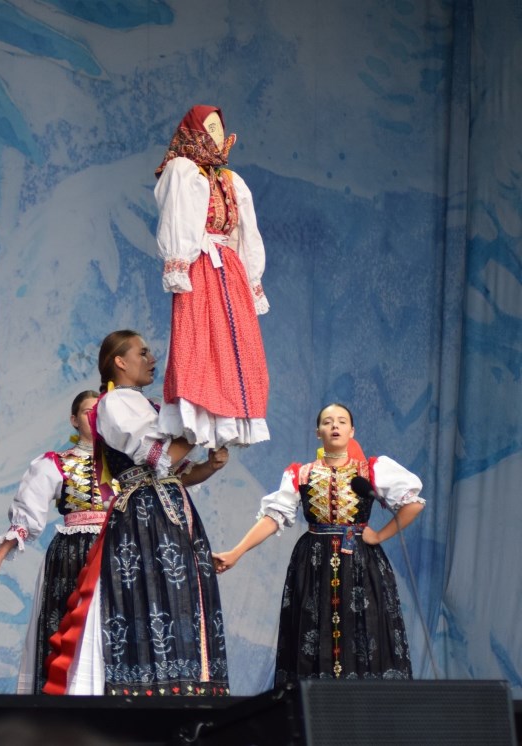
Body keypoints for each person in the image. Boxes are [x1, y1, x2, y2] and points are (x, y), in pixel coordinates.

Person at [43, 330, 230, 697]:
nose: (151, 359)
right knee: (152, 600)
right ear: (120, 362)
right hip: (145, 518)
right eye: (143, 353)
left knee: (180, 599)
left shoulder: (146, 405)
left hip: (167, 511)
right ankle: (153, 688)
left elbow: (174, 472)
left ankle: (188, 686)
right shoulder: (115, 403)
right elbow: (158, 458)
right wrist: (199, 425)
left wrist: (210, 464)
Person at [212, 403, 425, 683]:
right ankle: (317, 704)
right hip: (314, 562)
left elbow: (413, 504)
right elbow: (274, 517)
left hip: (360, 562)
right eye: (327, 422)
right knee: (314, 628)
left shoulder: (370, 470)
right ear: (318, 432)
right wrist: (236, 552)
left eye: (342, 421)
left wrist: (378, 536)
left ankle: (363, 704)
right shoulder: (301, 474)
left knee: (362, 630)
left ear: (352, 431)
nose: (335, 426)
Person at [0, 390, 111, 694]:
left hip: (116, 553)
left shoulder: (127, 465)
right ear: (74, 420)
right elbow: (28, 513)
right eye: (88, 412)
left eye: (101, 411)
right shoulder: (56, 463)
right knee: (66, 627)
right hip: (73, 556)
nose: (95, 418)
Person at [154, 105, 270, 449]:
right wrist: (179, 262)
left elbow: (245, 233)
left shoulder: (231, 180)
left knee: (236, 343)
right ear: (195, 132)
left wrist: (250, 278)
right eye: (210, 128)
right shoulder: (183, 170)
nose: (217, 136)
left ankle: (231, 420)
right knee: (198, 338)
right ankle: (197, 418)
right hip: (200, 262)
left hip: (228, 268)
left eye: (220, 128)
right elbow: (177, 219)